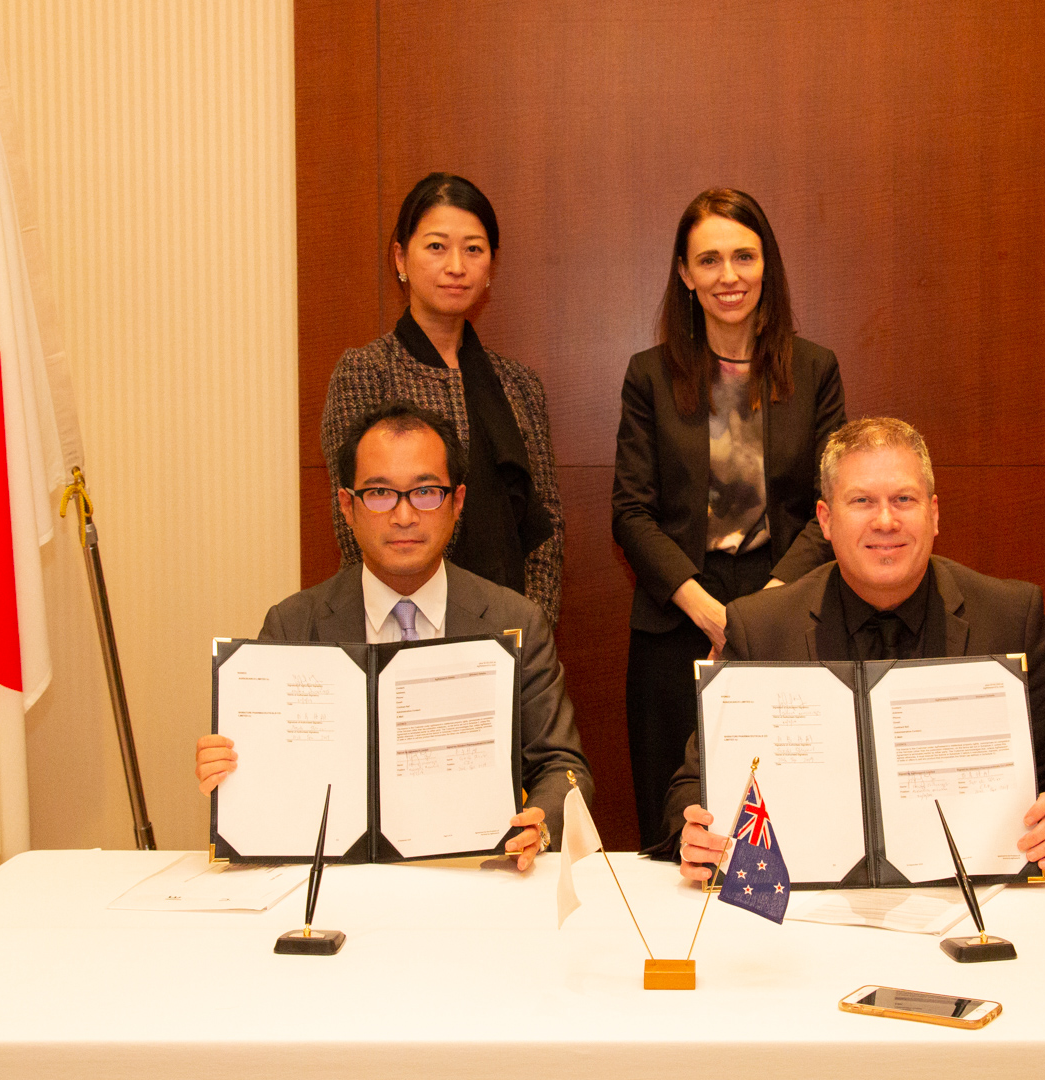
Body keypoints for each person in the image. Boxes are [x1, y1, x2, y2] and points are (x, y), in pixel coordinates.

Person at [660, 417, 1045, 882]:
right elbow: (691, 788)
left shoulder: (1011, 617)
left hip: (981, 900)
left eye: (904, 500)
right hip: (804, 914)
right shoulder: (761, 629)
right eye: (862, 501)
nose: (886, 520)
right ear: (826, 520)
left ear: (934, 514)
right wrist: (693, 834)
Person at [197, 403, 593, 870]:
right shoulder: (294, 624)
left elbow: (563, 768)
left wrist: (539, 823)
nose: (404, 516)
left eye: (426, 491)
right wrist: (231, 772)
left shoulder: (515, 620)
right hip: (340, 882)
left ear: (458, 501)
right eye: (381, 493)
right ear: (347, 505)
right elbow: (268, 781)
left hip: (474, 874)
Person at [613, 188, 846, 849]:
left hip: (789, 613)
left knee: (789, 827)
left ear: (766, 264)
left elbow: (832, 503)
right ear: (685, 274)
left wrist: (762, 612)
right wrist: (711, 613)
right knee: (675, 832)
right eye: (708, 260)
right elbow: (631, 512)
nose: (728, 276)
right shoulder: (649, 376)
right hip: (677, 624)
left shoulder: (815, 370)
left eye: (743, 256)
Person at [321, 173, 564, 624]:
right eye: (436, 247)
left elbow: (545, 523)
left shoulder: (520, 384)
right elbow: (354, 524)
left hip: (509, 626)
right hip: (399, 627)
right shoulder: (364, 372)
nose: (456, 266)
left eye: (473, 249)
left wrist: (533, 629)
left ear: (491, 264)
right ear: (401, 257)